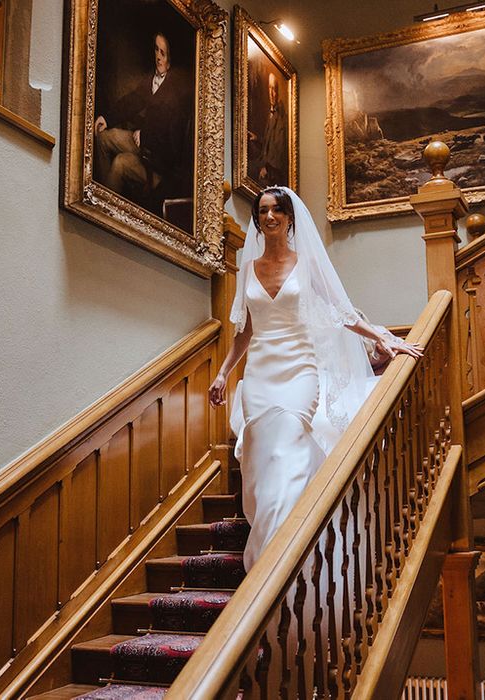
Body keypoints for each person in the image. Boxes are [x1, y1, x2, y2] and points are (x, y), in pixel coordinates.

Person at [208, 187, 421, 571]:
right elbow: (244, 330)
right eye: (263, 211)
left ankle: (279, 554)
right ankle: (269, 532)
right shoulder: (249, 268)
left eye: (277, 210)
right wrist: (224, 373)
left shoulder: (306, 264)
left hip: (299, 369)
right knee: (259, 456)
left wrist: (384, 338)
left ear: (290, 218)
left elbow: (342, 313)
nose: (269, 216)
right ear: (258, 219)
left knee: (288, 438)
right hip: (259, 372)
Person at [93, 31, 193, 209]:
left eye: (163, 53)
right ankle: (100, 191)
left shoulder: (178, 90)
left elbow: (173, 144)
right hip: (143, 147)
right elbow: (133, 100)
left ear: (171, 57)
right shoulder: (152, 80)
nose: (158, 57)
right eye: (156, 50)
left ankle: (104, 208)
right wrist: (107, 118)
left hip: (160, 167)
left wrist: (146, 136)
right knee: (104, 137)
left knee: (120, 163)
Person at [249, 73, 287, 187]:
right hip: (265, 162)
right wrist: (257, 139)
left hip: (272, 169)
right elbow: (269, 143)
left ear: (278, 92)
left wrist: (267, 168)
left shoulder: (280, 117)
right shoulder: (271, 114)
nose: (271, 93)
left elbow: (278, 148)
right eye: (269, 89)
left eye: (274, 89)